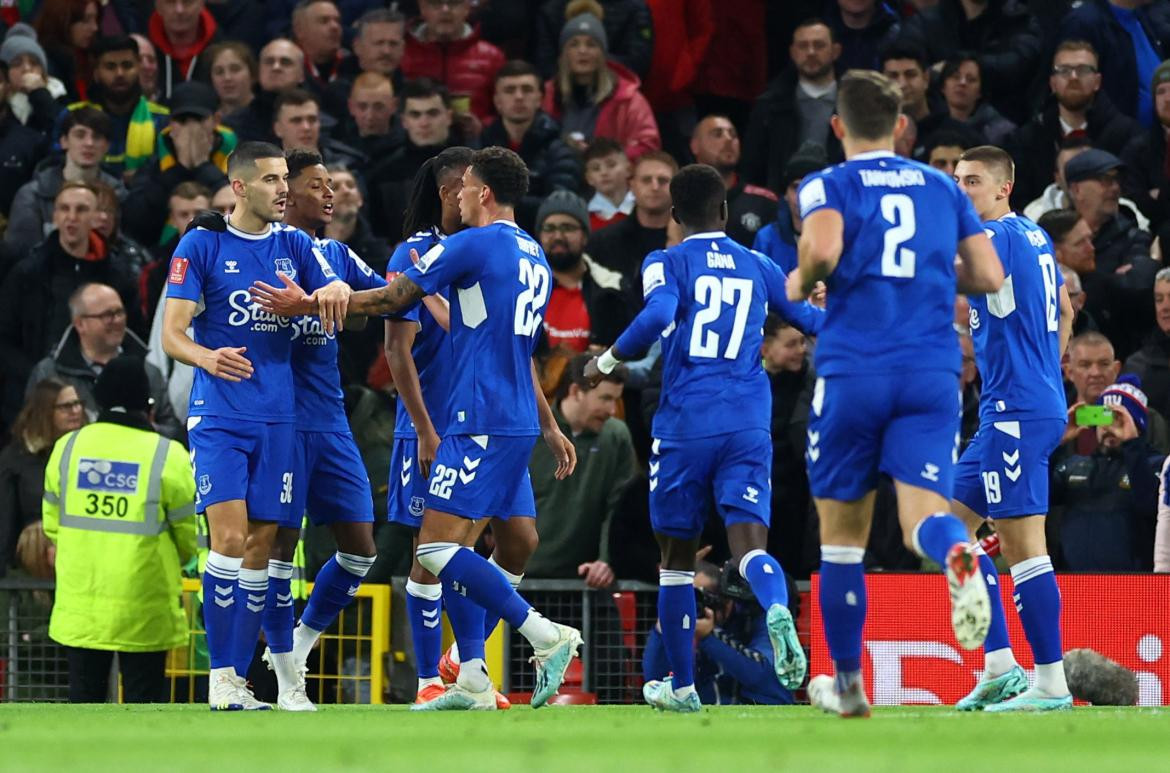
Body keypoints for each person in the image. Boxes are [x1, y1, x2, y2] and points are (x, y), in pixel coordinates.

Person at [255, 146, 584, 711]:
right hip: (509, 419)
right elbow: (511, 343)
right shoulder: (533, 252)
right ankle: (470, 676)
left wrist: (304, 304)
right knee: (460, 545)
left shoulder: (471, 244)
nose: (455, 195)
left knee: (435, 547)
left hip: (477, 416)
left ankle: (540, 634)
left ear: (481, 193)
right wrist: (548, 423)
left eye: (464, 186)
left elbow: (392, 297)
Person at [787, 70, 1004, 718]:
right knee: (922, 521)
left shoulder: (832, 182)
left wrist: (801, 277)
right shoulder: (941, 186)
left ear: (837, 126)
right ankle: (957, 552)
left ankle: (849, 686)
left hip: (856, 369)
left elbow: (822, 252)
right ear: (901, 126)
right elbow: (988, 274)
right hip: (932, 370)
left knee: (843, 539)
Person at [583, 163, 825, 712]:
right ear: (723, 211)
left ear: (674, 216)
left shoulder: (664, 260)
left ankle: (684, 685)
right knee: (749, 547)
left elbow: (659, 315)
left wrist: (604, 361)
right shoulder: (759, 263)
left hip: (687, 421)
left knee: (675, 558)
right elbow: (809, 322)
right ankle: (775, 605)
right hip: (747, 422)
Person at [160, 140, 351, 711]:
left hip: (281, 418)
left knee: (265, 550)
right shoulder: (203, 243)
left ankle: (239, 680)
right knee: (229, 540)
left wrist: (335, 289)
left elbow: (332, 283)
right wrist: (205, 357)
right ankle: (220, 676)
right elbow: (173, 332)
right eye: (270, 180)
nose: (283, 189)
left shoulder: (295, 243)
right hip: (220, 415)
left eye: (284, 180)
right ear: (240, 187)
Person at [212, 149, 381, 712]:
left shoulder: (332, 254)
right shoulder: (260, 248)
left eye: (330, 185)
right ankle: (285, 681)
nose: (329, 195)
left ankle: (300, 644)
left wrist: (322, 300)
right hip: (279, 417)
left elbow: (386, 298)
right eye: (317, 185)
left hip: (330, 421)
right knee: (275, 548)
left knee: (360, 548)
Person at [949, 145, 1075, 712]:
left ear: (1004, 187)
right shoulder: (1035, 236)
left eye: (972, 181)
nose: (962, 190)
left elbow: (961, 278)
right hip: (1020, 404)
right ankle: (1000, 666)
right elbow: (1066, 312)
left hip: (1017, 413)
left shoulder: (994, 238)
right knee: (949, 530)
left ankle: (1051, 682)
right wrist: (1047, 372)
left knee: (1024, 548)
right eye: (956, 180)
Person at [42, 355, 197, 703]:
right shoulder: (168, 455)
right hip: (145, 607)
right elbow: (190, 538)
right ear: (147, 403)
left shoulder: (67, 449)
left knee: (84, 709)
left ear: (96, 399)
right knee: (144, 713)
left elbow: (52, 527)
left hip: (81, 608)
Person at [380, 146, 475, 706]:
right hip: (430, 428)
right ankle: (426, 682)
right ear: (448, 193)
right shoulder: (413, 255)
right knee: (428, 553)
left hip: (476, 424)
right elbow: (397, 350)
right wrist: (423, 429)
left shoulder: (482, 249)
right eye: (471, 187)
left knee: (482, 543)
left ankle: (468, 668)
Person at [0, 182, 143, 426]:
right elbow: (4, 338)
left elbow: (135, 335)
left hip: (102, 396)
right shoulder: (28, 273)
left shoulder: (118, 275)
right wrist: (39, 377)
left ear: (96, 217)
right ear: (54, 216)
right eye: (64, 209)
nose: (71, 217)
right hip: (36, 396)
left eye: (81, 209)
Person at [526, 353, 636, 583]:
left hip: (587, 580)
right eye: (605, 398)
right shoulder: (528, 432)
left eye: (615, 400)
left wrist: (607, 560)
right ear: (576, 391)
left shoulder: (617, 437)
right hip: (525, 576)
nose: (612, 410)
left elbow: (619, 508)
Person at [27, 282, 179, 438]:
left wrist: (145, 427)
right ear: (80, 324)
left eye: (120, 312)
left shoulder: (148, 370)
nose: (117, 320)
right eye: (107, 315)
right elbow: (35, 429)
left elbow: (173, 429)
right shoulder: (50, 372)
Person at [642, 560, 795, 705]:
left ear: (726, 602)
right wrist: (664, 627)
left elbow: (761, 674)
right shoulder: (683, 622)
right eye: (688, 599)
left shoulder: (758, 616)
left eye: (700, 597)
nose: (692, 606)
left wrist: (710, 636)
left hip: (761, 711)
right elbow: (655, 681)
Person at [1011, 40, 1140, 210]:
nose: (1073, 77)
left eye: (1083, 70)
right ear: (1052, 83)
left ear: (1097, 82)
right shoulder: (1027, 139)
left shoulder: (1127, 134)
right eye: (1063, 70)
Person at [1050, 375, 1161, 570]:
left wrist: (1132, 444)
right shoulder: (1074, 466)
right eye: (1104, 416)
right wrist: (1054, 444)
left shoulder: (1156, 466)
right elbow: (1035, 496)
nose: (1110, 427)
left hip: (1134, 589)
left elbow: (1150, 506)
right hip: (1072, 586)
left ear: (1137, 424)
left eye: (1118, 418)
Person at [540, 0, 660, 160]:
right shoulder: (545, 96)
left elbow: (648, 145)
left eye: (591, 44)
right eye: (574, 44)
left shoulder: (628, 99)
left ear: (604, 54)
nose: (583, 51)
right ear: (563, 54)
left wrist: (606, 158)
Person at [481, 60, 580, 233]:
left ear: (540, 99)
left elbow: (559, 205)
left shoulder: (560, 148)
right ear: (497, 101)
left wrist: (499, 200)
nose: (519, 96)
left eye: (527, 90)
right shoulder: (480, 145)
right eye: (509, 90)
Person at [741, 18, 840, 192]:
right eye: (803, 46)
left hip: (842, 197)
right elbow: (752, 166)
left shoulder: (855, 104)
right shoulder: (768, 106)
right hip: (781, 204)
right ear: (792, 52)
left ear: (836, 51)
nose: (810, 52)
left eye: (819, 45)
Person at [6, 106, 122, 253]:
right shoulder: (32, 195)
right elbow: (19, 255)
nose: (89, 143)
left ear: (107, 146)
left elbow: (123, 249)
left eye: (97, 137)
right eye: (80, 135)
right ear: (64, 141)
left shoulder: (119, 195)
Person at [0, 379, 85, 577]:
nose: (76, 411)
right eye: (66, 406)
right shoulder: (16, 460)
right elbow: (4, 523)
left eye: (78, 403)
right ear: (45, 411)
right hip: (31, 565)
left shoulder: (91, 452)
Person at [57, 35, 171, 181]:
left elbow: (168, 172)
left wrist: (140, 177)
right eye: (110, 67)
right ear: (96, 73)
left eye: (127, 65)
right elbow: (57, 166)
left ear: (138, 68)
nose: (120, 74)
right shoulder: (72, 116)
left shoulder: (162, 119)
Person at [536, 190, 631, 353]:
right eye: (549, 228)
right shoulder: (523, 289)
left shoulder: (612, 289)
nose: (558, 236)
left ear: (585, 236)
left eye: (568, 228)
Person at [400, 0, 505, 124]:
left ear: (467, 8)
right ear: (423, 8)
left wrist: (483, 127)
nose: (445, 10)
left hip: (476, 141)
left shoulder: (492, 57)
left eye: (454, 3)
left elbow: (505, 114)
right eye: (437, 4)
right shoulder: (401, 54)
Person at [689, 114, 777, 248]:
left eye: (733, 135)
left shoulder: (765, 202)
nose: (728, 139)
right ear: (695, 145)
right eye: (718, 134)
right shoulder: (681, 197)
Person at [752, 142, 828, 274]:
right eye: (796, 187)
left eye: (809, 187)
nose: (802, 195)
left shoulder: (840, 238)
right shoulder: (767, 239)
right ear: (785, 194)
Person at [147, 0, 220, 100]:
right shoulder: (142, 53)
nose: (179, 10)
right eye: (170, 2)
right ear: (158, 6)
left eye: (187, 2)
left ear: (202, 4)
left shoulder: (222, 51)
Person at [582, 136, 633, 231]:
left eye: (611, 165)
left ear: (629, 169)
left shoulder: (646, 208)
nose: (604, 172)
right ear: (589, 178)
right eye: (596, 168)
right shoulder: (584, 218)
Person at [204, 41, 257, 119]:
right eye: (219, 72)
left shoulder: (270, 114)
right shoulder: (207, 119)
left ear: (252, 74)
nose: (227, 78)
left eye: (235, 69)